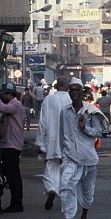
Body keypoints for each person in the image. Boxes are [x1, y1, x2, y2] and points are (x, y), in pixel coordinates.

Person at [58, 77, 108, 219]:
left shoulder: (90, 111)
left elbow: (99, 131)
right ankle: (67, 218)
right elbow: (62, 134)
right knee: (67, 186)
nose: (73, 93)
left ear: (82, 92)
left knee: (87, 192)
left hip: (88, 158)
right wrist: (62, 154)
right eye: (71, 90)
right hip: (70, 157)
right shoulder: (64, 111)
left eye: (76, 90)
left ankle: (84, 216)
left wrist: (84, 128)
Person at [36, 75, 71, 211]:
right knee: (68, 169)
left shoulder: (48, 100)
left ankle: (51, 189)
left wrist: (40, 142)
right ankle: (66, 195)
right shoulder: (71, 99)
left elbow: (42, 122)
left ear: (56, 86)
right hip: (68, 141)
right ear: (67, 87)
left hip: (51, 140)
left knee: (51, 167)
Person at [0, 82, 26, 212]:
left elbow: (2, 108)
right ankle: (13, 201)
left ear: (9, 94)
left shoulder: (15, 105)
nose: (1, 98)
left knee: (13, 176)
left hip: (12, 145)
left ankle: (17, 203)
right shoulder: (10, 107)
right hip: (7, 144)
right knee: (7, 173)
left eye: (3, 95)